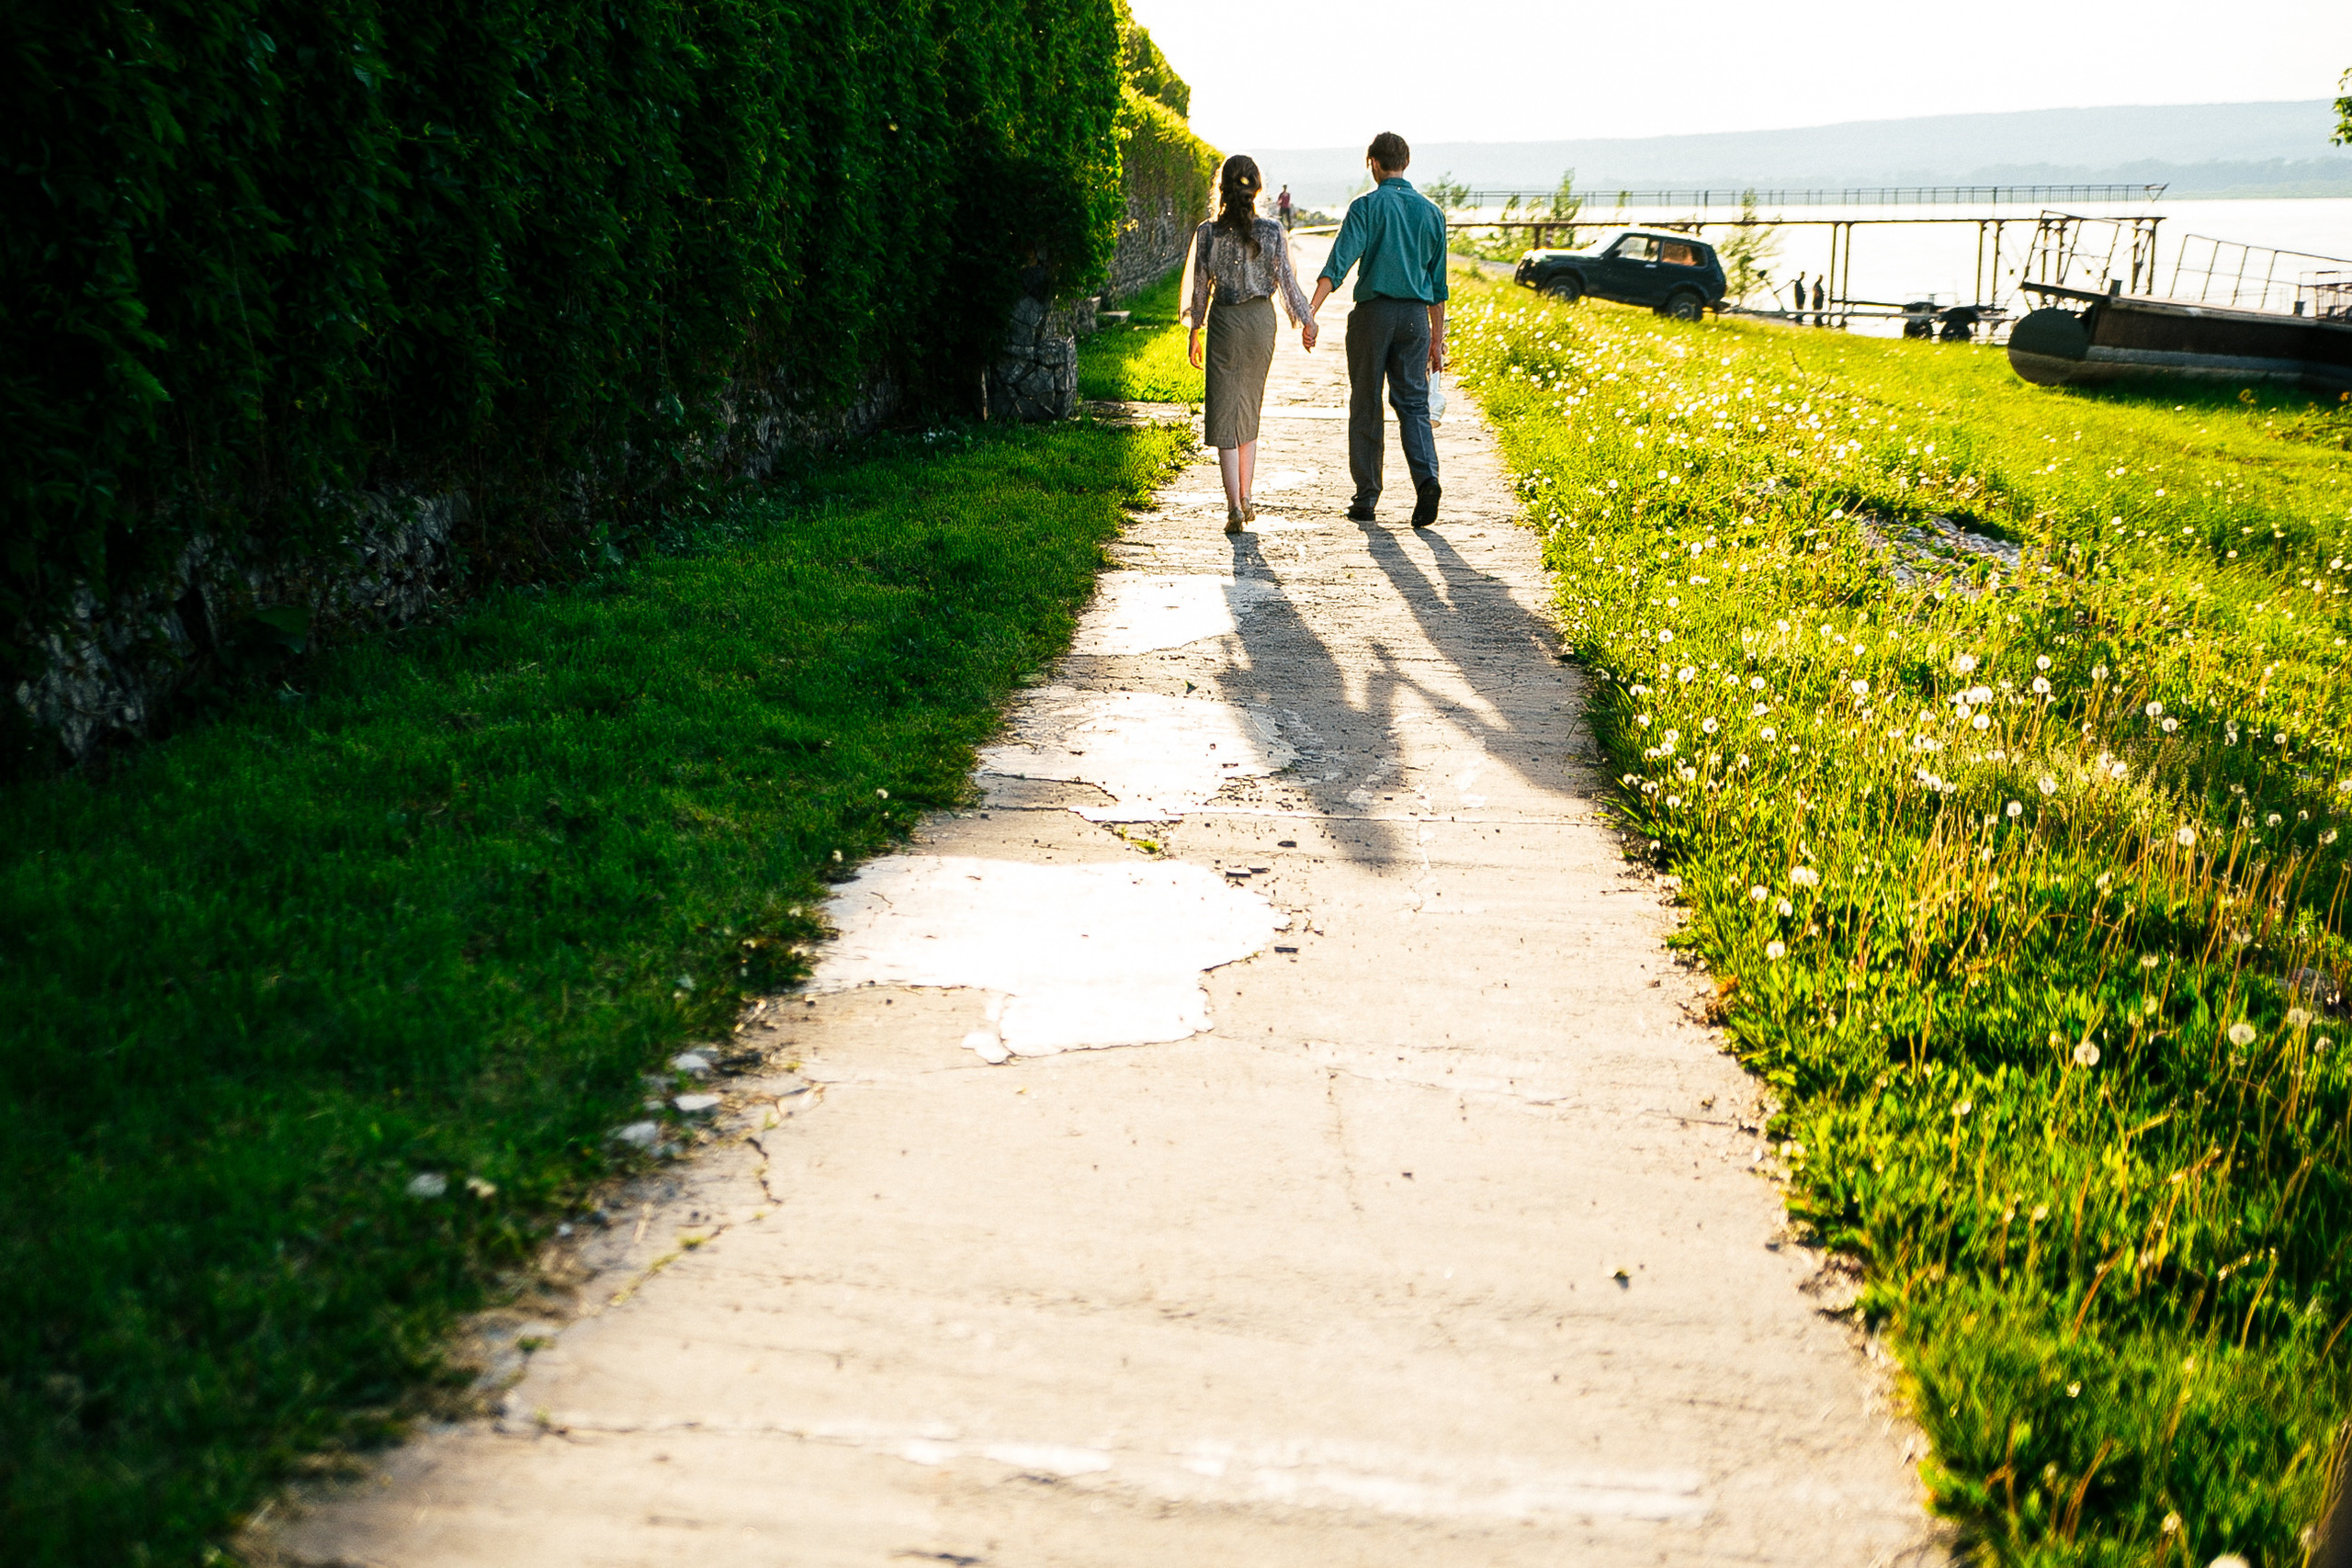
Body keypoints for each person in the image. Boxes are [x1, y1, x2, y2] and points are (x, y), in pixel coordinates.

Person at [1306, 130, 1448, 527]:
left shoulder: (1366, 207)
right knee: (1413, 405)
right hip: (1416, 319)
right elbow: (1438, 287)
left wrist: (1311, 312)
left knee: (1366, 403)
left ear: (1373, 163)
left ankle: (1367, 498)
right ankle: (1427, 480)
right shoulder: (1432, 213)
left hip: (1374, 316)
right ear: (1406, 162)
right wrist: (1437, 339)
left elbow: (1338, 265)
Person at [1184, 155, 1317, 534]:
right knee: (1250, 409)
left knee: (1225, 411)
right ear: (1257, 187)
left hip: (1225, 322)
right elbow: (1288, 283)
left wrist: (1195, 329)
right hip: (1261, 323)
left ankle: (1233, 507)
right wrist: (1307, 320)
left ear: (1222, 187)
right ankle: (1246, 496)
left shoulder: (1208, 232)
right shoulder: (1274, 231)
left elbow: (1199, 289)